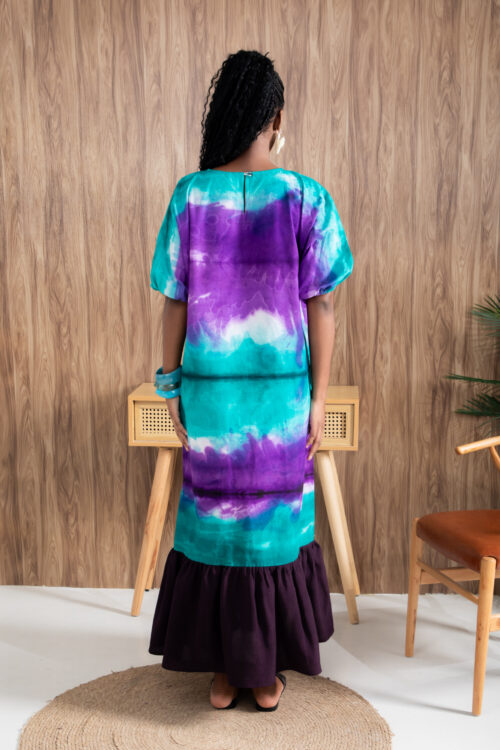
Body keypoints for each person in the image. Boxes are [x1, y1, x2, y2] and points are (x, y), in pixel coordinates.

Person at [148, 49, 354, 712]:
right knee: (270, 531)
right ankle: (263, 676)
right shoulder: (306, 196)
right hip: (281, 402)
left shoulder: (190, 194)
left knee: (217, 527)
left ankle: (223, 673)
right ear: (276, 117)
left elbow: (174, 302)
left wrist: (169, 385)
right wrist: (319, 399)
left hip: (211, 398)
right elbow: (323, 306)